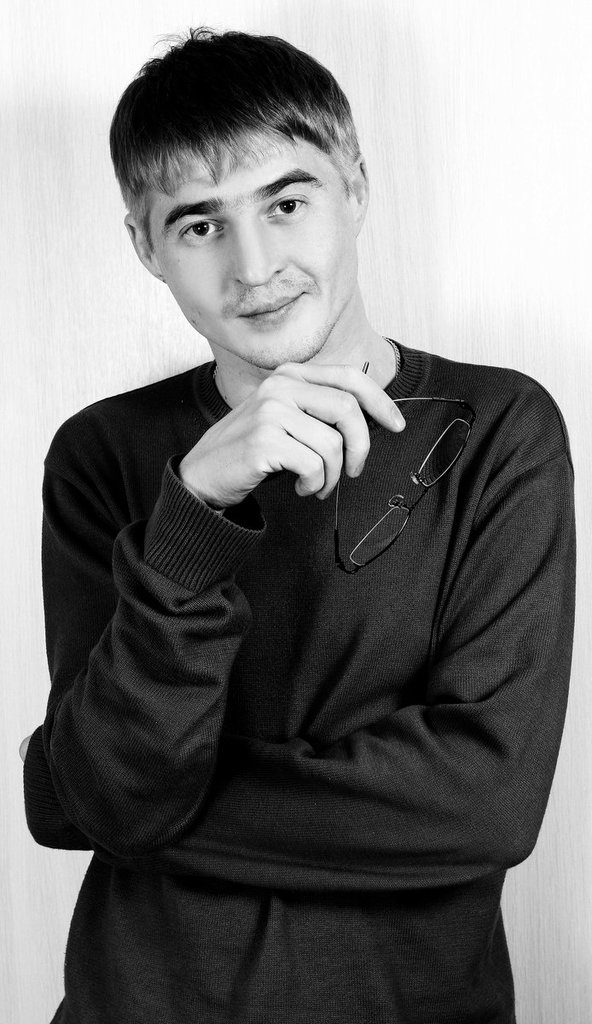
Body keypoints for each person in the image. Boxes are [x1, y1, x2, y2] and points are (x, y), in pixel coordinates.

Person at [21, 27, 576, 1024]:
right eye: (200, 223)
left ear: (354, 188)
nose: (254, 265)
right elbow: (109, 792)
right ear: (146, 247)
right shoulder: (103, 454)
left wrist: (94, 795)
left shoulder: (498, 430)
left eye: (285, 202)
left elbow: (485, 804)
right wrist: (193, 513)